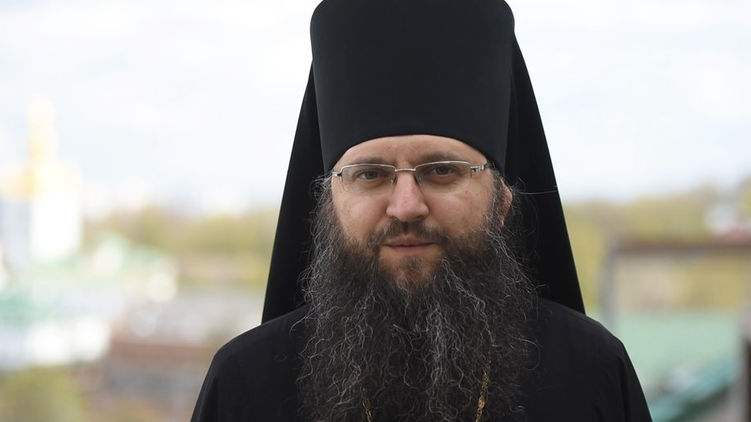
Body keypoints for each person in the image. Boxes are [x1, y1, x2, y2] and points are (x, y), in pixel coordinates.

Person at [191, 0, 652, 420]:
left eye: (442, 171)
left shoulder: (591, 374)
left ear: (503, 202)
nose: (406, 207)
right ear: (329, 205)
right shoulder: (246, 386)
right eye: (370, 174)